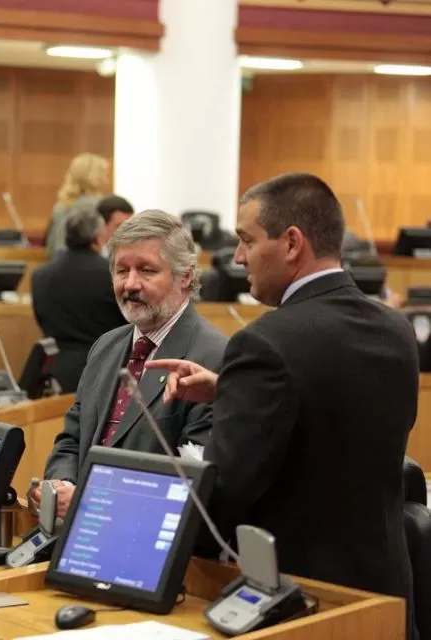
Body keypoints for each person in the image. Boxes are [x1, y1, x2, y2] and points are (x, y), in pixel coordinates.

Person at [148, 173, 418, 620]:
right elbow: (335, 412)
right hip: (382, 595)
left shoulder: (265, 343)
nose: (237, 257)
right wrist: (232, 390)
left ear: (292, 243)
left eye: (246, 241)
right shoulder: (395, 328)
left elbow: (223, 495)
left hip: (296, 603)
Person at [36, 210, 227, 518]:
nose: (130, 284)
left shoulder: (215, 357)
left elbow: (194, 480)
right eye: (122, 271)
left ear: (186, 276)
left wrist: (91, 499)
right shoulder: (106, 346)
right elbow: (72, 438)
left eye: (147, 271)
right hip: (79, 534)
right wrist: (61, 485)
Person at [31, 204, 127, 392]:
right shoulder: (111, 274)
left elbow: (41, 317)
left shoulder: (40, 275)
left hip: (54, 372)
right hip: (104, 370)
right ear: (98, 238)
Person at [44, 153, 109, 256]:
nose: (106, 180)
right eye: (103, 174)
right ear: (94, 176)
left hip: (60, 263)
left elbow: (51, 244)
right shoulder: (99, 205)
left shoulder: (60, 206)